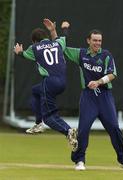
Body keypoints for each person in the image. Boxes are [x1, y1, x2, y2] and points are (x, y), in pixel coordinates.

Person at [43, 19, 123, 170]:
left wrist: (98, 82)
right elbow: (60, 48)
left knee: (114, 128)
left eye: (99, 40)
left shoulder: (106, 55)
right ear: (88, 41)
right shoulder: (80, 54)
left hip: (104, 96)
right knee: (84, 129)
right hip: (88, 97)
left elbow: (113, 74)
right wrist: (54, 32)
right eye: (95, 40)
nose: (98, 43)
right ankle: (80, 161)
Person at [13, 19, 78, 152]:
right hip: (62, 82)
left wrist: (18, 51)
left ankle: (68, 131)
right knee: (35, 91)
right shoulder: (57, 43)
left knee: (49, 117)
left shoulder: (35, 48)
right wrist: (62, 28)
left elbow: (24, 55)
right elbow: (64, 37)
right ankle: (38, 123)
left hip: (49, 82)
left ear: (34, 41)